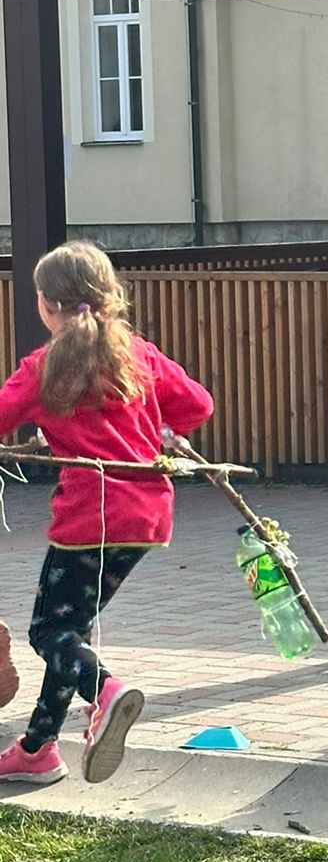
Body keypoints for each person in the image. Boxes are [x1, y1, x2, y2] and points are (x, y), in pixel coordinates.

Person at [0, 242, 214, 786]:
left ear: (45, 304)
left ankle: (106, 690)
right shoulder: (138, 355)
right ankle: (38, 748)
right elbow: (198, 405)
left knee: (49, 631)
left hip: (88, 518)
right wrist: (161, 425)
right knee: (71, 629)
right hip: (148, 516)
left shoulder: (43, 368)